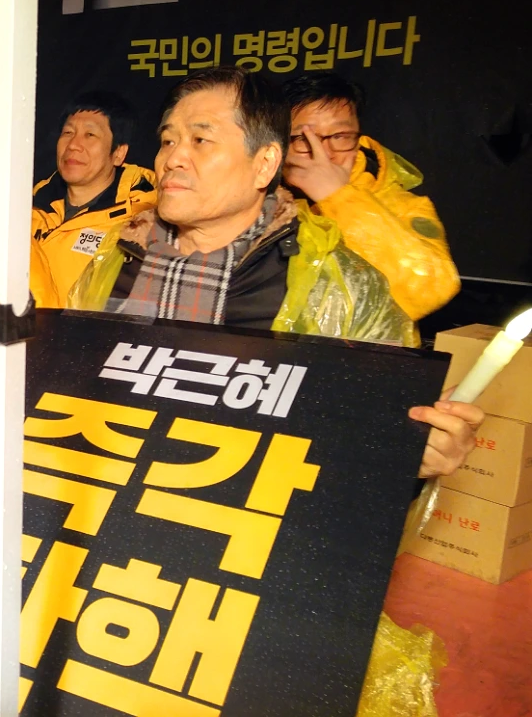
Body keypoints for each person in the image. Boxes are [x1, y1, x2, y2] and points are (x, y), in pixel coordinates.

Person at [68, 66, 481, 481]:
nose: (172, 158)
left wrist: (413, 456)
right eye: (168, 140)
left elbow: (369, 454)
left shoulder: (338, 285)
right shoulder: (114, 257)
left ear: (265, 163)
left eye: (200, 140)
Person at [282, 73, 459, 323]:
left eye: (340, 136)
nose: (325, 153)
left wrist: (337, 196)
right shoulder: (257, 196)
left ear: (358, 139)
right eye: (302, 138)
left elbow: (429, 290)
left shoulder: (401, 204)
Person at [31, 91, 156, 307]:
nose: (73, 145)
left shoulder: (140, 224)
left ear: (118, 153)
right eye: (68, 132)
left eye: (90, 135)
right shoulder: (28, 206)